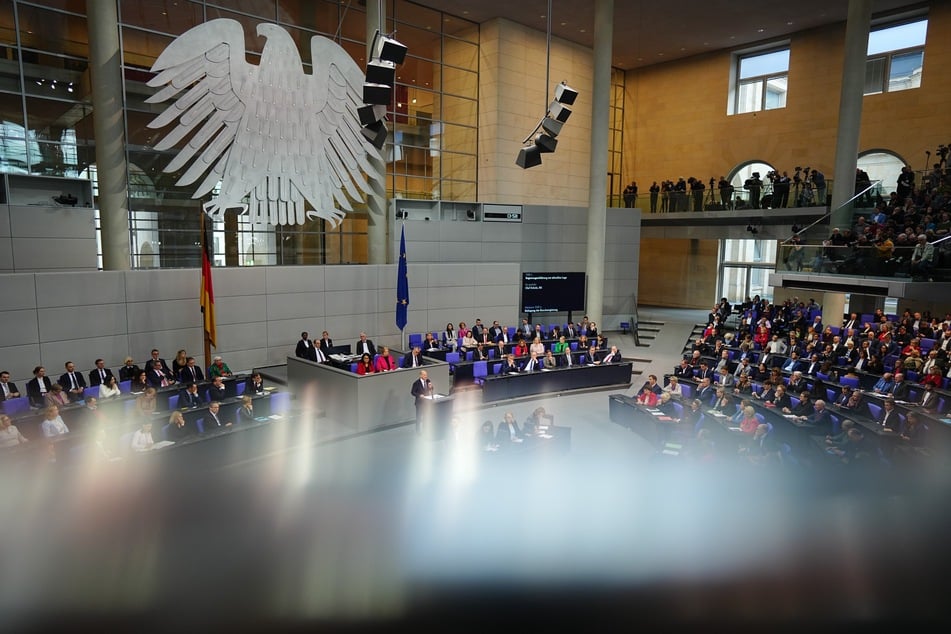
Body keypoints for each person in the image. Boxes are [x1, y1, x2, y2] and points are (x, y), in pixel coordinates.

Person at [410, 370, 434, 435]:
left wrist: (431, 387)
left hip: (426, 402)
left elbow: (431, 388)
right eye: (424, 375)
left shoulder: (428, 381)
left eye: (426, 375)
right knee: (419, 417)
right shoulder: (416, 383)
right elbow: (412, 392)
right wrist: (419, 395)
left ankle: (425, 430)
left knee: (426, 417)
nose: (426, 376)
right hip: (419, 403)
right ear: (420, 375)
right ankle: (418, 431)